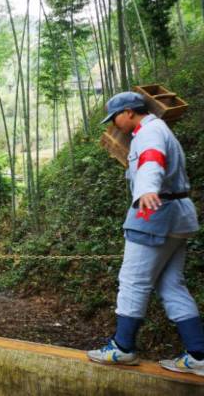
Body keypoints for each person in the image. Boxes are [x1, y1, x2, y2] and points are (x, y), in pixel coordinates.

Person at [88, 91, 204, 377]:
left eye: (115, 117)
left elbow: (152, 161)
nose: (114, 124)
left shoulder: (149, 132)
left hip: (155, 213)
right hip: (178, 216)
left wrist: (147, 189)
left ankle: (122, 347)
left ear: (128, 112)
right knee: (171, 285)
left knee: (133, 280)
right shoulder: (155, 128)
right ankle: (199, 354)